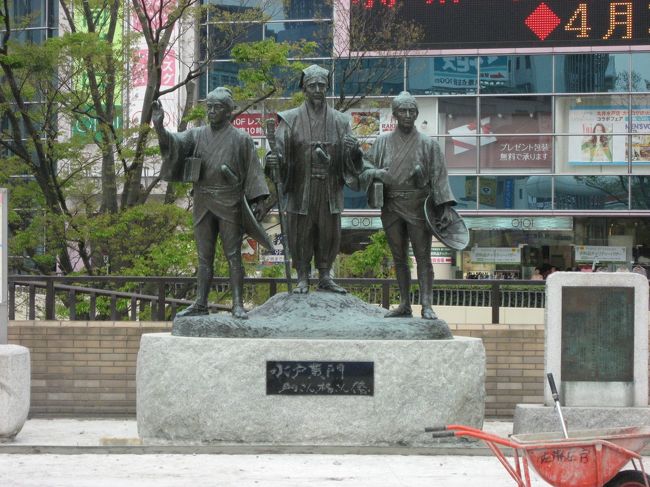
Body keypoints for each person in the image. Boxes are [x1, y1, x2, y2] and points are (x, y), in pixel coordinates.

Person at [152, 87, 269, 319]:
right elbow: (174, 144)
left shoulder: (241, 139)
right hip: (203, 200)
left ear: (228, 111)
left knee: (233, 254)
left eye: (217, 108)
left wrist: (258, 200)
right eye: (209, 107)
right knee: (204, 256)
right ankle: (200, 303)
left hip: (229, 201)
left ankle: (237, 303)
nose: (212, 112)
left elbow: (254, 172)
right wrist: (159, 127)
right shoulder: (196, 135)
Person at [356, 91, 456, 320]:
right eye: (403, 111)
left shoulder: (429, 145)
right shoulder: (382, 143)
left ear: (417, 114)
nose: (408, 115)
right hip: (391, 205)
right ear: (395, 115)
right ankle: (404, 303)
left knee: (423, 257)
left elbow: (440, 177)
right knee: (398, 257)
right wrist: (377, 173)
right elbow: (364, 169)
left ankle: (427, 304)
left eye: (412, 111)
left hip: (419, 206)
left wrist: (445, 207)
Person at [266, 65, 362, 294]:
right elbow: (279, 152)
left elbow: (353, 161)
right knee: (301, 232)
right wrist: (273, 160)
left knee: (329, 232)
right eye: (312, 86)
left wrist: (354, 151)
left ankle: (326, 275)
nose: (318, 89)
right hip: (302, 188)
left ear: (327, 87)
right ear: (304, 89)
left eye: (322, 85)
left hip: (329, 187)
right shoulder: (289, 120)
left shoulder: (340, 121)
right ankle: (302, 276)